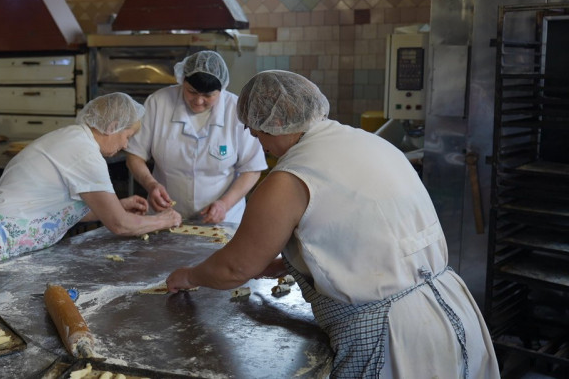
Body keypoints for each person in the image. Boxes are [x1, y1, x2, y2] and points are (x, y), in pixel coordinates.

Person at [166, 71, 500, 378]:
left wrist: (188, 276)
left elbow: (235, 268)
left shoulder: (289, 178)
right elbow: (370, 231)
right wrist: (289, 263)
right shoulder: (372, 143)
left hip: (390, 336)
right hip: (450, 309)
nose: (260, 145)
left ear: (274, 123)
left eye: (256, 133)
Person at [0, 93, 181, 281]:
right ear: (112, 127)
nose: (126, 144)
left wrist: (118, 205)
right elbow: (119, 224)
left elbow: (59, 211)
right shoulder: (84, 152)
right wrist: (164, 220)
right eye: (127, 136)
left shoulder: (75, 139)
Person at [125, 51, 267, 224]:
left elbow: (252, 168)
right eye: (191, 92)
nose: (199, 101)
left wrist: (224, 204)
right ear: (182, 81)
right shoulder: (158, 103)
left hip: (223, 219)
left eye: (208, 95)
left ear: (221, 89)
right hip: (166, 215)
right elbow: (135, 155)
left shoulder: (236, 110)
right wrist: (151, 184)